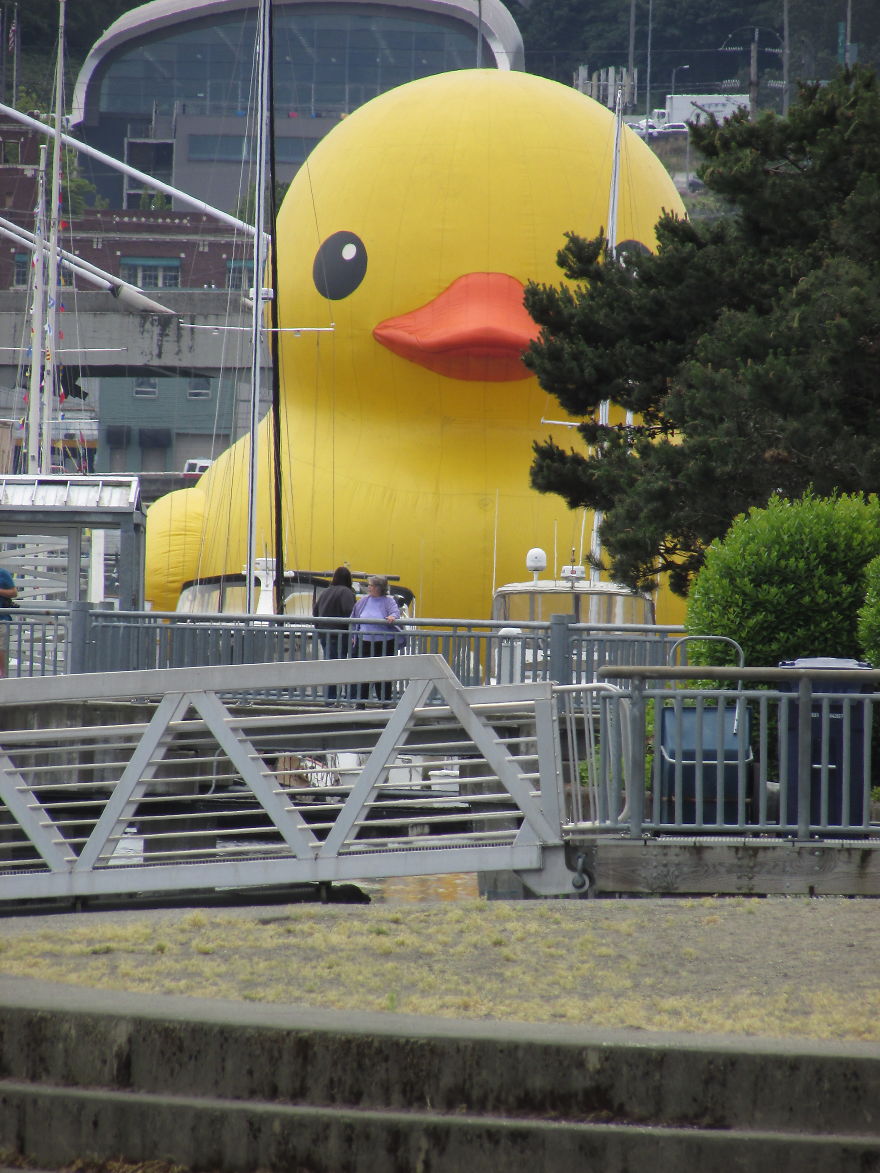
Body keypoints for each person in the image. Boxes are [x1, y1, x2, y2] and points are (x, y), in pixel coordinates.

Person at [350, 574, 402, 703]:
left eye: (371, 585)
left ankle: (384, 702)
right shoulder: (364, 600)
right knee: (364, 673)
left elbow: (395, 613)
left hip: (384, 642)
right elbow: (354, 617)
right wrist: (353, 635)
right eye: (369, 585)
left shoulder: (388, 600)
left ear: (380, 588)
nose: (369, 587)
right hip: (365, 641)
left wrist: (392, 617)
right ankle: (361, 702)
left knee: (383, 673)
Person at [313, 566, 356, 701]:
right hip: (340, 634)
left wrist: (319, 628)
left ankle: (331, 698)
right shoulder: (346, 592)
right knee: (342, 667)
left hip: (325, 634)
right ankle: (344, 698)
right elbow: (349, 611)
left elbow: (315, 612)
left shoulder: (326, 592)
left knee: (331, 666)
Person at [0, 566, 17, 679]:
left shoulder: (2, 573)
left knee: (1, 648)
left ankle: (2, 675)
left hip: (2, 618)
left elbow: (14, 592)